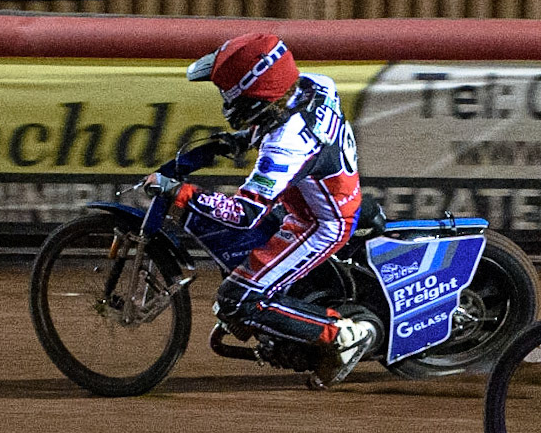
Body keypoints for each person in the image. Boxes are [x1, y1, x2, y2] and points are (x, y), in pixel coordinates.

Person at [143, 32, 376, 387]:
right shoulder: (314, 84)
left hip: (319, 224)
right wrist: (242, 139)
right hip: (314, 196)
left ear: (254, 95)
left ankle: (342, 336)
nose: (225, 101)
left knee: (236, 300)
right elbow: (286, 117)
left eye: (229, 93)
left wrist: (181, 194)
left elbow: (244, 214)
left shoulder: (285, 146)